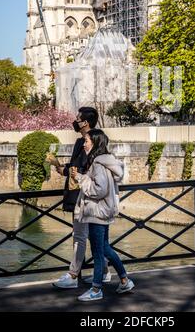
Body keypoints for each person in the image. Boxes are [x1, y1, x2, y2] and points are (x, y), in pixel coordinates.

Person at [71, 129, 135, 302]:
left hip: (96, 211)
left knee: (98, 252)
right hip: (104, 211)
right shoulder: (105, 162)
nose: (84, 144)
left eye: (86, 141)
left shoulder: (98, 164)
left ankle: (96, 289)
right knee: (105, 248)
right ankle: (124, 280)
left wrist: (80, 178)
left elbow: (99, 189)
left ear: (95, 143)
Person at [52, 107, 110, 289]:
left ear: (85, 122)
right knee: (91, 237)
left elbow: (86, 169)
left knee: (80, 236)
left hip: (85, 196)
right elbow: (77, 166)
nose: (75, 121)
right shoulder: (81, 143)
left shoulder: (92, 142)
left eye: (77, 118)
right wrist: (64, 167)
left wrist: (66, 170)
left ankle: (73, 275)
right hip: (79, 194)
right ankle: (105, 272)